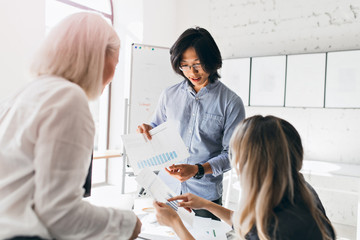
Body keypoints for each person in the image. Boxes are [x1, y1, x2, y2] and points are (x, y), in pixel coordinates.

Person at [0, 13, 141, 240]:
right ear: (97, 56)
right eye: (115, 61)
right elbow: (60, 215)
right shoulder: (68, 98)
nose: (114, 73)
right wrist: (129, 223)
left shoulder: (24, 95)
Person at [153, 115, 336, 240]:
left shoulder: (274, 227)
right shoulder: (300, 190)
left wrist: (176, 224)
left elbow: (257, 228)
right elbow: (251, 224)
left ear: (250, 163)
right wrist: (206, 204)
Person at [137, 27, 245, 220]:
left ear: (212, 61)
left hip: (204, 199)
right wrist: (148, 130)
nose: (191, 72)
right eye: (184, 65)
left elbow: (232, 155)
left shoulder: (230, 102)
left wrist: (198, 170)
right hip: (166, 192)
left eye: (198, 64)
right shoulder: (169, 95)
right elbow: (156, 129)